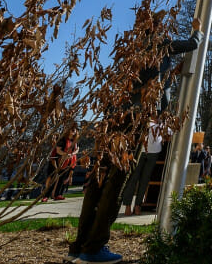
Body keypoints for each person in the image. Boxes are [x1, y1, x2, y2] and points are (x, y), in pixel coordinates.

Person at [65, 18, 202, 264]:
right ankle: (94, 247)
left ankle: (80, 244)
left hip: (112, 120)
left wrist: (170, 74)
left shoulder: (133, 49)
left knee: (98, 181)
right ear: (157, 28)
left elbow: (149, 79)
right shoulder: (161, 43)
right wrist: (198, 29)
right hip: (134, 122)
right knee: (117, 182)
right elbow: (192, 43)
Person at [121, 120, 163, 216]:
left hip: (154, 153)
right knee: (133, 178)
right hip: (141, 152)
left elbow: (170, 131)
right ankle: (127, 205)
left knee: (145, 180)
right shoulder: (144, 119)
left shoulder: (163, 121)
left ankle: (138, 205)